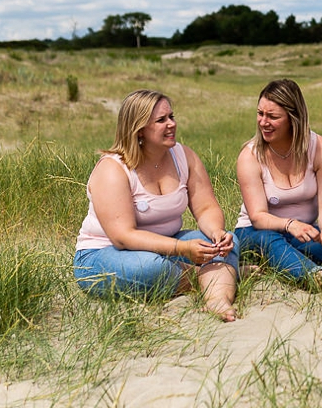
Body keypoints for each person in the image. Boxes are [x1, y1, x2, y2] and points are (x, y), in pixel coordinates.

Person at [74, 89, 239, 321]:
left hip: (167, 248)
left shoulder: (185, 156)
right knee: (150, 269)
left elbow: (205, 208)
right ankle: (218, 274)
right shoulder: (113, 169)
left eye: (171, 117)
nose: (171, 124)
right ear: (139, 129)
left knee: (228, 241)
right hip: (103, 255)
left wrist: (216, 233)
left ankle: (217, 300)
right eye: (161, 120)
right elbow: (123, 236)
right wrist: (183, 249)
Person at [234, 79, 322, 299]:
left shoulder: (319, 147)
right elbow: (258, 217)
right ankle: (317, 276)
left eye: (272, 116)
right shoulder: (250, 156)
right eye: (260, 114)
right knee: (269, 241)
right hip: (256, 232)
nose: (263, 122)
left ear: (293, 118)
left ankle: (280, 261)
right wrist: (289, 224)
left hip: (303, 232)